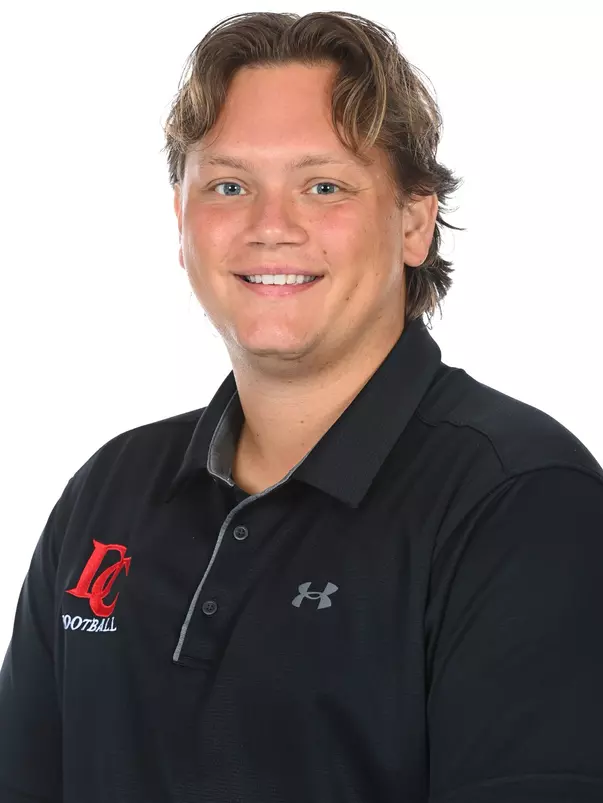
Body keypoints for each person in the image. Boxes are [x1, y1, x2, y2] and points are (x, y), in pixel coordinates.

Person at [1, 10, 603, 803]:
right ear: (181, 222)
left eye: (323, 186)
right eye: (228, 184)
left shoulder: (519, 500)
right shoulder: (107, 494)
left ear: (414, 221)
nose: (270, 226)